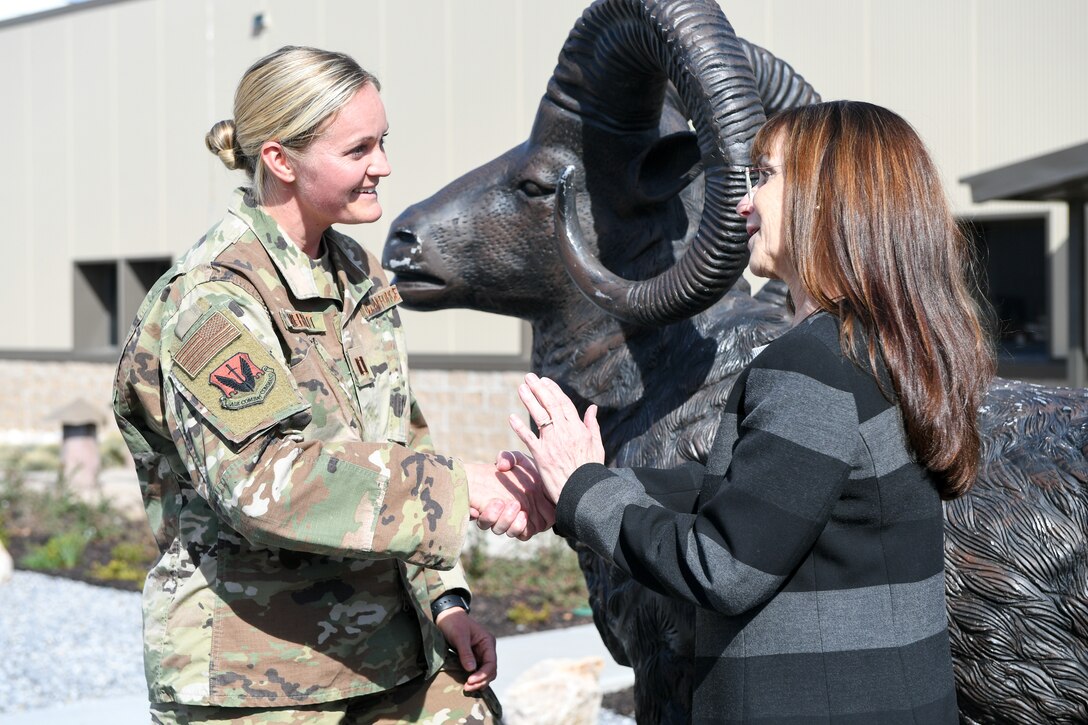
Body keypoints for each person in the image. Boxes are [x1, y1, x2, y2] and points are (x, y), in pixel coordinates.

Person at [509, 101, 994, 723]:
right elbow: (770, 490)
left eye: (763, 176)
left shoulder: (813, 366)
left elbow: (724, 566)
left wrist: (585, 490)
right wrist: (578, 491)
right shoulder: (895, 350)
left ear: (830, 198)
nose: (743, 205)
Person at [113, 45, 549, 724]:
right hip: (261, 679)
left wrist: (445, 599)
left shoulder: (357, 274)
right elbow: (263, 479)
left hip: (392, 652)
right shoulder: (216, 299)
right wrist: (460, 490)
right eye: (359, 149)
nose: (385, 165)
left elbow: (398, 441)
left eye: (383, 142)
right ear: (282, 160)